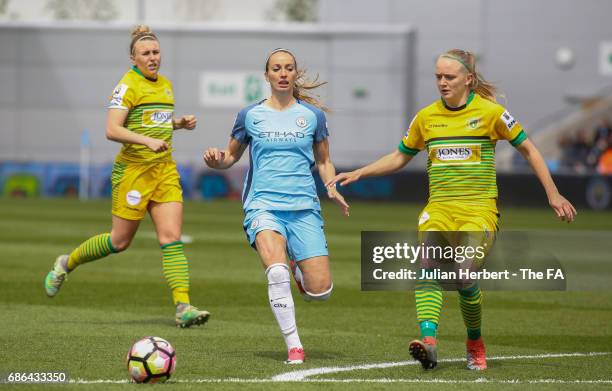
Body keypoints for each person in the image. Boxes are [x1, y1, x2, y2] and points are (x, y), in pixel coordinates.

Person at [328, 49, 577, 371]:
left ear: (468, 80)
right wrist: (360, 172)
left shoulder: (491, 113)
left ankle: (475, 342)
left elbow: (529, 148)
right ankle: (429, 343)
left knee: (463, 275)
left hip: (478, 212)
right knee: (428, 270)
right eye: (438, 77)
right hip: (439, 210)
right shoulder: (426, 117)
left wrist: (553, 194)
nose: (442, 83)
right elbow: (400, 155)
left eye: (449, 77)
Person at [44, 25, 210, 329]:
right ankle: (66, 263)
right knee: (119, 242)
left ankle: (183, 306)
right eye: (145, 53)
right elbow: (112, 130)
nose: (152, 57)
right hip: (133, 173)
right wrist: (146, 142)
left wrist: (177, 124)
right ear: (133, 59)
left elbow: (151, 122)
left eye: (156, 52)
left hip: (164, 171)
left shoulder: (166, 85)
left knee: (171, 238)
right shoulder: (127, 85)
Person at [203, 48, 349, 364]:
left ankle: (298, 272)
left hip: (304, 208)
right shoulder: (249, 115)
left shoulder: (313, 116)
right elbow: (231, 156)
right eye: (276, 68)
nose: (283, 73)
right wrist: (217, 162)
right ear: (267, 75)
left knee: (320, 291)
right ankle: (294, 346)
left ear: (295, 74)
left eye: (288, 68)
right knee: (276, 272)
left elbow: (324, 160)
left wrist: (331, 185)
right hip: (263, 205)